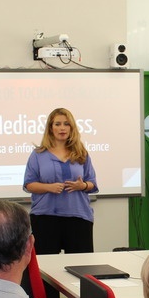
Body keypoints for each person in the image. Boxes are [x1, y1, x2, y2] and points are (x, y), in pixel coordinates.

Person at [23, 107, 98, 256]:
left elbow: (92, 183)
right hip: (45, 217)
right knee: (45, 265)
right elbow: (29, 184)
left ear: (72, 128)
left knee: (81, 264)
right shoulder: (38, 154)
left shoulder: (81, 153)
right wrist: (48, 187)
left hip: (78, 216)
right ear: (51, 128)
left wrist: (82, 186)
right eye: (57, 124)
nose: (62, 128)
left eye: (66, 124)